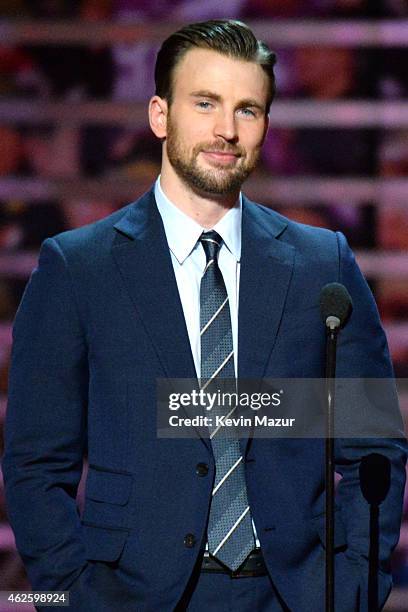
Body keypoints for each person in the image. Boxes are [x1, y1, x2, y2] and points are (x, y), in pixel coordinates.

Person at [2, 19, 407, 612]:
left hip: (295, 596)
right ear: (159, 115)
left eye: (248, 109)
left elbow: (373, 446)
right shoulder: (78, 268)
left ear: (267, 124)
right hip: (128, 598)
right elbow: (37, 462)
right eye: (206, 103)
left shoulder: (325, 265)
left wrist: (354, 588)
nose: (227, 130)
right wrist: (72, 599)